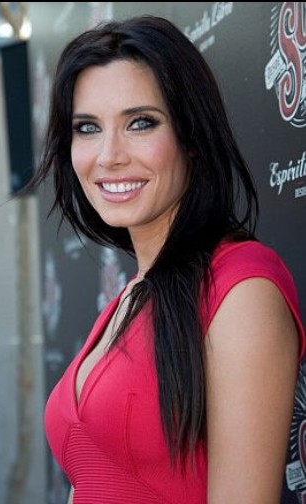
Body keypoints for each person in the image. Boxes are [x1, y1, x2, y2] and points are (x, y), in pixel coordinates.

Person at [33, 15, 306, 504]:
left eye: (141, 123)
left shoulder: (241, 291)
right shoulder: (131, 295)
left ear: (192, 136)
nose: (109, 155)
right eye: (87, 128)